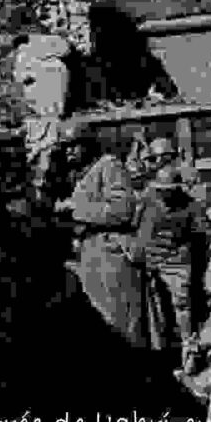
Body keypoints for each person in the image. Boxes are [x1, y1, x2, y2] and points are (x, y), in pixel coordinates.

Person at [53, 120, 147, 349]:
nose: (69, 151)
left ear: (89, 144)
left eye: (74, 145)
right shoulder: (83, 174)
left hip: (110, 255)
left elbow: (122, 210)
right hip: (90, 254)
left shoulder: (109, 166)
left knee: (120, 324)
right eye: (65, 147)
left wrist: (74, 209)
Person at [133, 164, 206, 375]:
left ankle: (189, 350)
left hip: (177, 260)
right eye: (161, 190)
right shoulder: (148, 202)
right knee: (153, 306)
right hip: (151, 260)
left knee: (182, 305)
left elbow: (199, 234)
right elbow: (138, 229)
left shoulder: (189, 207)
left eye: (168, 191)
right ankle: (159, 352)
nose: (164, 195)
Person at [12, 31, 76, 205]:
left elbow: (21, 77)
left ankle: (40, 197)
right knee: (49, 155)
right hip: (54, 114)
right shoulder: (59, 60)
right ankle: (50, 194)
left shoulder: (26, 53)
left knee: (41, 159)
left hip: (41, 115)